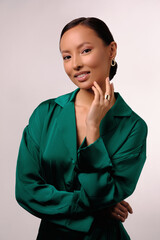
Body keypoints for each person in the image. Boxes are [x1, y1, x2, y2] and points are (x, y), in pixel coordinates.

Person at [15, 17, 147, 240]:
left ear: (111, 50)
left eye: (85, 50)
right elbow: (26, 191)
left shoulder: (133, 127)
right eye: (67, 56)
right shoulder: (45, 114)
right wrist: (96, 206)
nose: (75, 64)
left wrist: (93, 127)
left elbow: (103, 193)